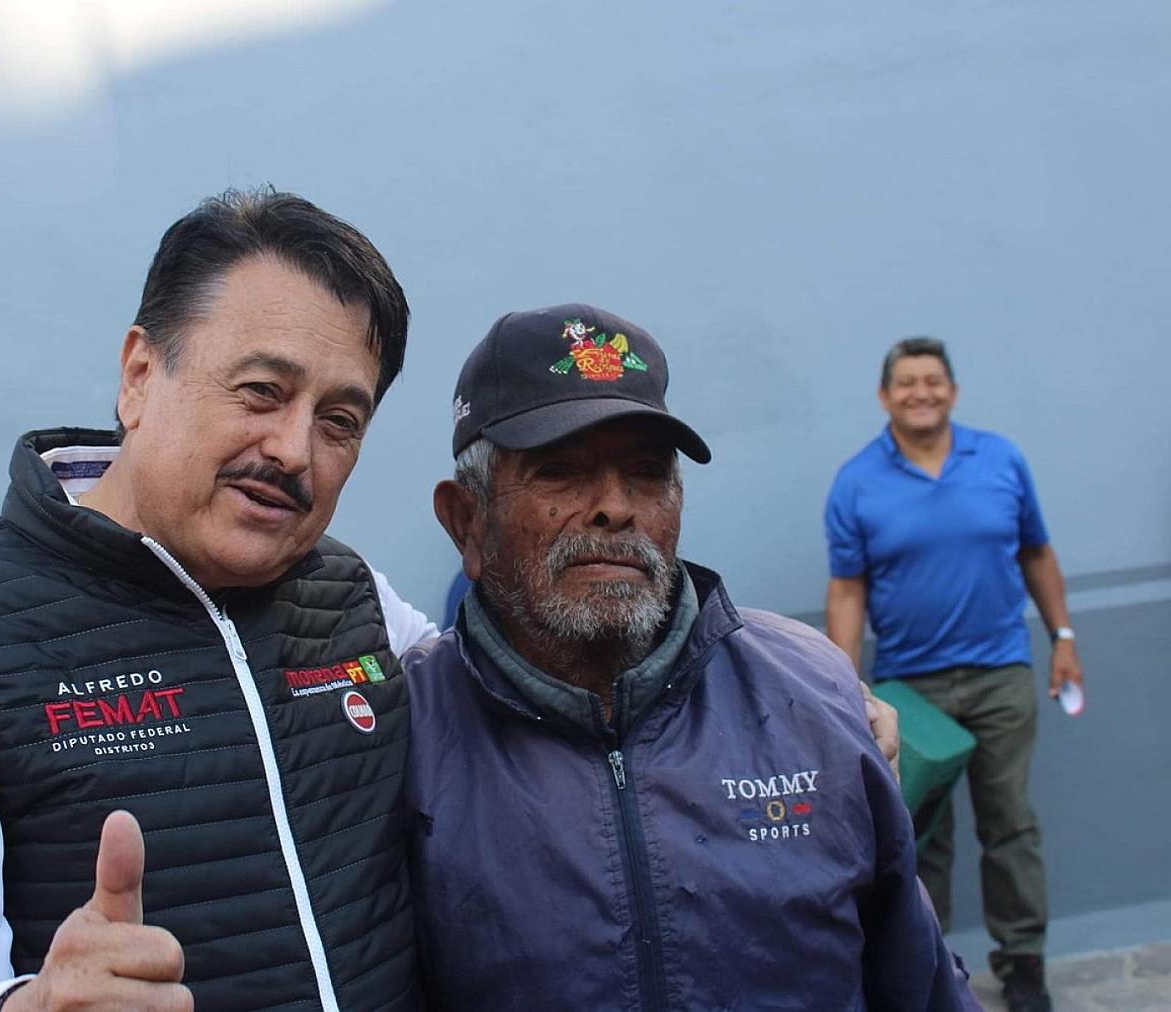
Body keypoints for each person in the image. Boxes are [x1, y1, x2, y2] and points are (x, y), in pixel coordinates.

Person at [0, 188, 438, 1012]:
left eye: (339, 421)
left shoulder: (358, 599)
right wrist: (28, 1007)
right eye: (262, 391)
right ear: (139, 376)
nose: (294, 450)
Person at [405, 304, 975, 1010]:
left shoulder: (812, 691)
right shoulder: (402, 741)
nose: (615, 507)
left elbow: (917, 977)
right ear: (467, 521)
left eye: (646, 472)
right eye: (559, 471)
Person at [823, 336, 1081, 1012]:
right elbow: (847, 590)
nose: (922, 392)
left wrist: (1063, 636)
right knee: (919, 839)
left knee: (1010, 825)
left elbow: (1037, 552)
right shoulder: (856, 481)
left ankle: (1023, 966)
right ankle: (927, 970)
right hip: (911, 690)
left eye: (933, 380)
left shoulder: (1000, 459)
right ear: (885, 396)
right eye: (907, 382)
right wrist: (845, 686)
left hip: (1001, 676)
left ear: (953, 391)